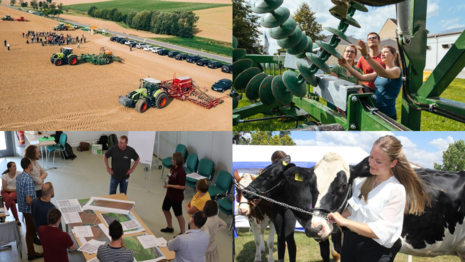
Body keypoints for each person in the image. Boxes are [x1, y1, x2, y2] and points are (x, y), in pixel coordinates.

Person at [328, 135, 431, 262]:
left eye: (379, 161)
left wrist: (346, 222)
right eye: (371, 157)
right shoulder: (360, 182)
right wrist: (334, 216)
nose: (371, 163)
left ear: (393, 163)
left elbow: (381, 231)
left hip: (374, 252)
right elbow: (354, 208)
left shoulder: (395, 190)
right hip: (349, 247)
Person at [339, 41, 402, 120]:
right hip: (376, 110)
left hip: (388, 113)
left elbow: (384, 73)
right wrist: (347, 65)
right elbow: (361, 77)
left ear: (394, 55)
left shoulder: (397, 70)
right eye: (382, 52)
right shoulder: (378, 73)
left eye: (385, 52)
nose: (382, 54)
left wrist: (366, 56)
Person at [270, 150, 296, 262]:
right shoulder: (272, 173)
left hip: (289, 208)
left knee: (289, 236)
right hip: (276, 208)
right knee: (280, 236)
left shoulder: (292, 171)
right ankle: (280, 259)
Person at [16, 157, 43, 260]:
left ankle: (31, 253)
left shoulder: (20, 176)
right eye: (32, 164)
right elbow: (29, 200)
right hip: (29, 210)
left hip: (23, 209)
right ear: (29, 166)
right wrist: (38, 208)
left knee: (30, 231)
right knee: (39, 230)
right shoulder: (28, 179)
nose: (33, 165)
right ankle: (45, 251)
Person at [330, 44, 364, 116]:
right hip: (338, 102)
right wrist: (340, 107)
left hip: (352, 101)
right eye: (347, 51)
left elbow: (359, 90)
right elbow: (333, 89)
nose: (349, 53)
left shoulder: (358, 71)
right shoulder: (337, 68)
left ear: (355, 56)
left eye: (352, 52)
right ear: (343, 53)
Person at [161, 152, 187, 234]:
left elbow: (182, 186)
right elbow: (170, 176)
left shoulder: (181, 171)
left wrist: (170, 185)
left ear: (176, 160)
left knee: (178, 215)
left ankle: (183, 232)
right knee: (165, 209)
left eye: (173, 159)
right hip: (169, 195)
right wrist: (167, 181)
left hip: (176, 197)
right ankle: (170, 227)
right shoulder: (173, 167)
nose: (171, 160)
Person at [1, 161, 21, 226]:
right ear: (9, 168)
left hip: (14, 191)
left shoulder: (19, 173)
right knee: (11, 202)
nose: (16, 167)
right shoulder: (4, 175)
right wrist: (13, 190)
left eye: (15, 165)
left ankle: (3, 216)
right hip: (5, 191)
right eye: (13, 166)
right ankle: (17, 218)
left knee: (10, 198)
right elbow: (4, 187)